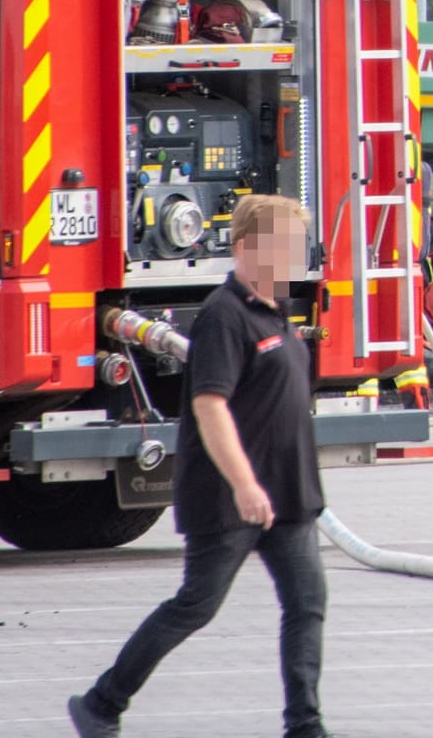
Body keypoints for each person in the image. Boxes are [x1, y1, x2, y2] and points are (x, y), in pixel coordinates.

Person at [69, 194, 331, 738]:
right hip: (231, 496)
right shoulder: (224, 316)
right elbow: (209, 405)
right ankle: (101, 702)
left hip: (288, 495)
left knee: (307, 603)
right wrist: (243, 484)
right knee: (196, 606)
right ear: (244, 248)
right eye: (279, 245)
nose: (290, 255)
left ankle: (305, 726)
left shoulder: (276, 312)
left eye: (294, 245)